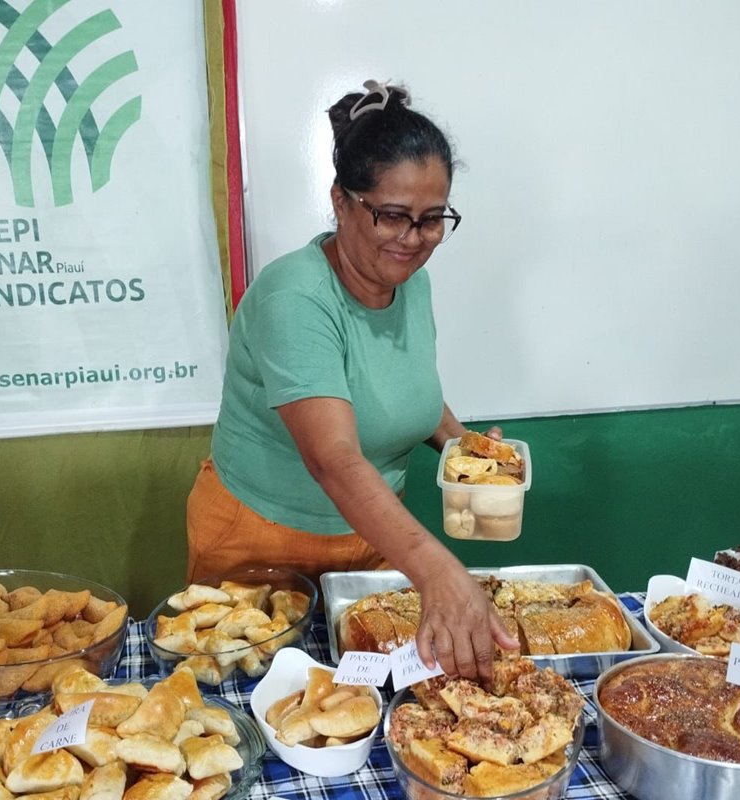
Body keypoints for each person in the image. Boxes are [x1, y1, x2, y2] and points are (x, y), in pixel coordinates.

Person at [186, 79, 517, 681]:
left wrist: (468, 450)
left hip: (372, 540)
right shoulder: (296, 297)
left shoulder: (410, 281)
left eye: (432, 219)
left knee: (373, 699)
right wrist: (439, 570)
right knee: (253, 699)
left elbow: (401, 385)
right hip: (261, 543)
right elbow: (333, 458)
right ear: (342, 202)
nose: (413, 240)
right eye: (393, 216)